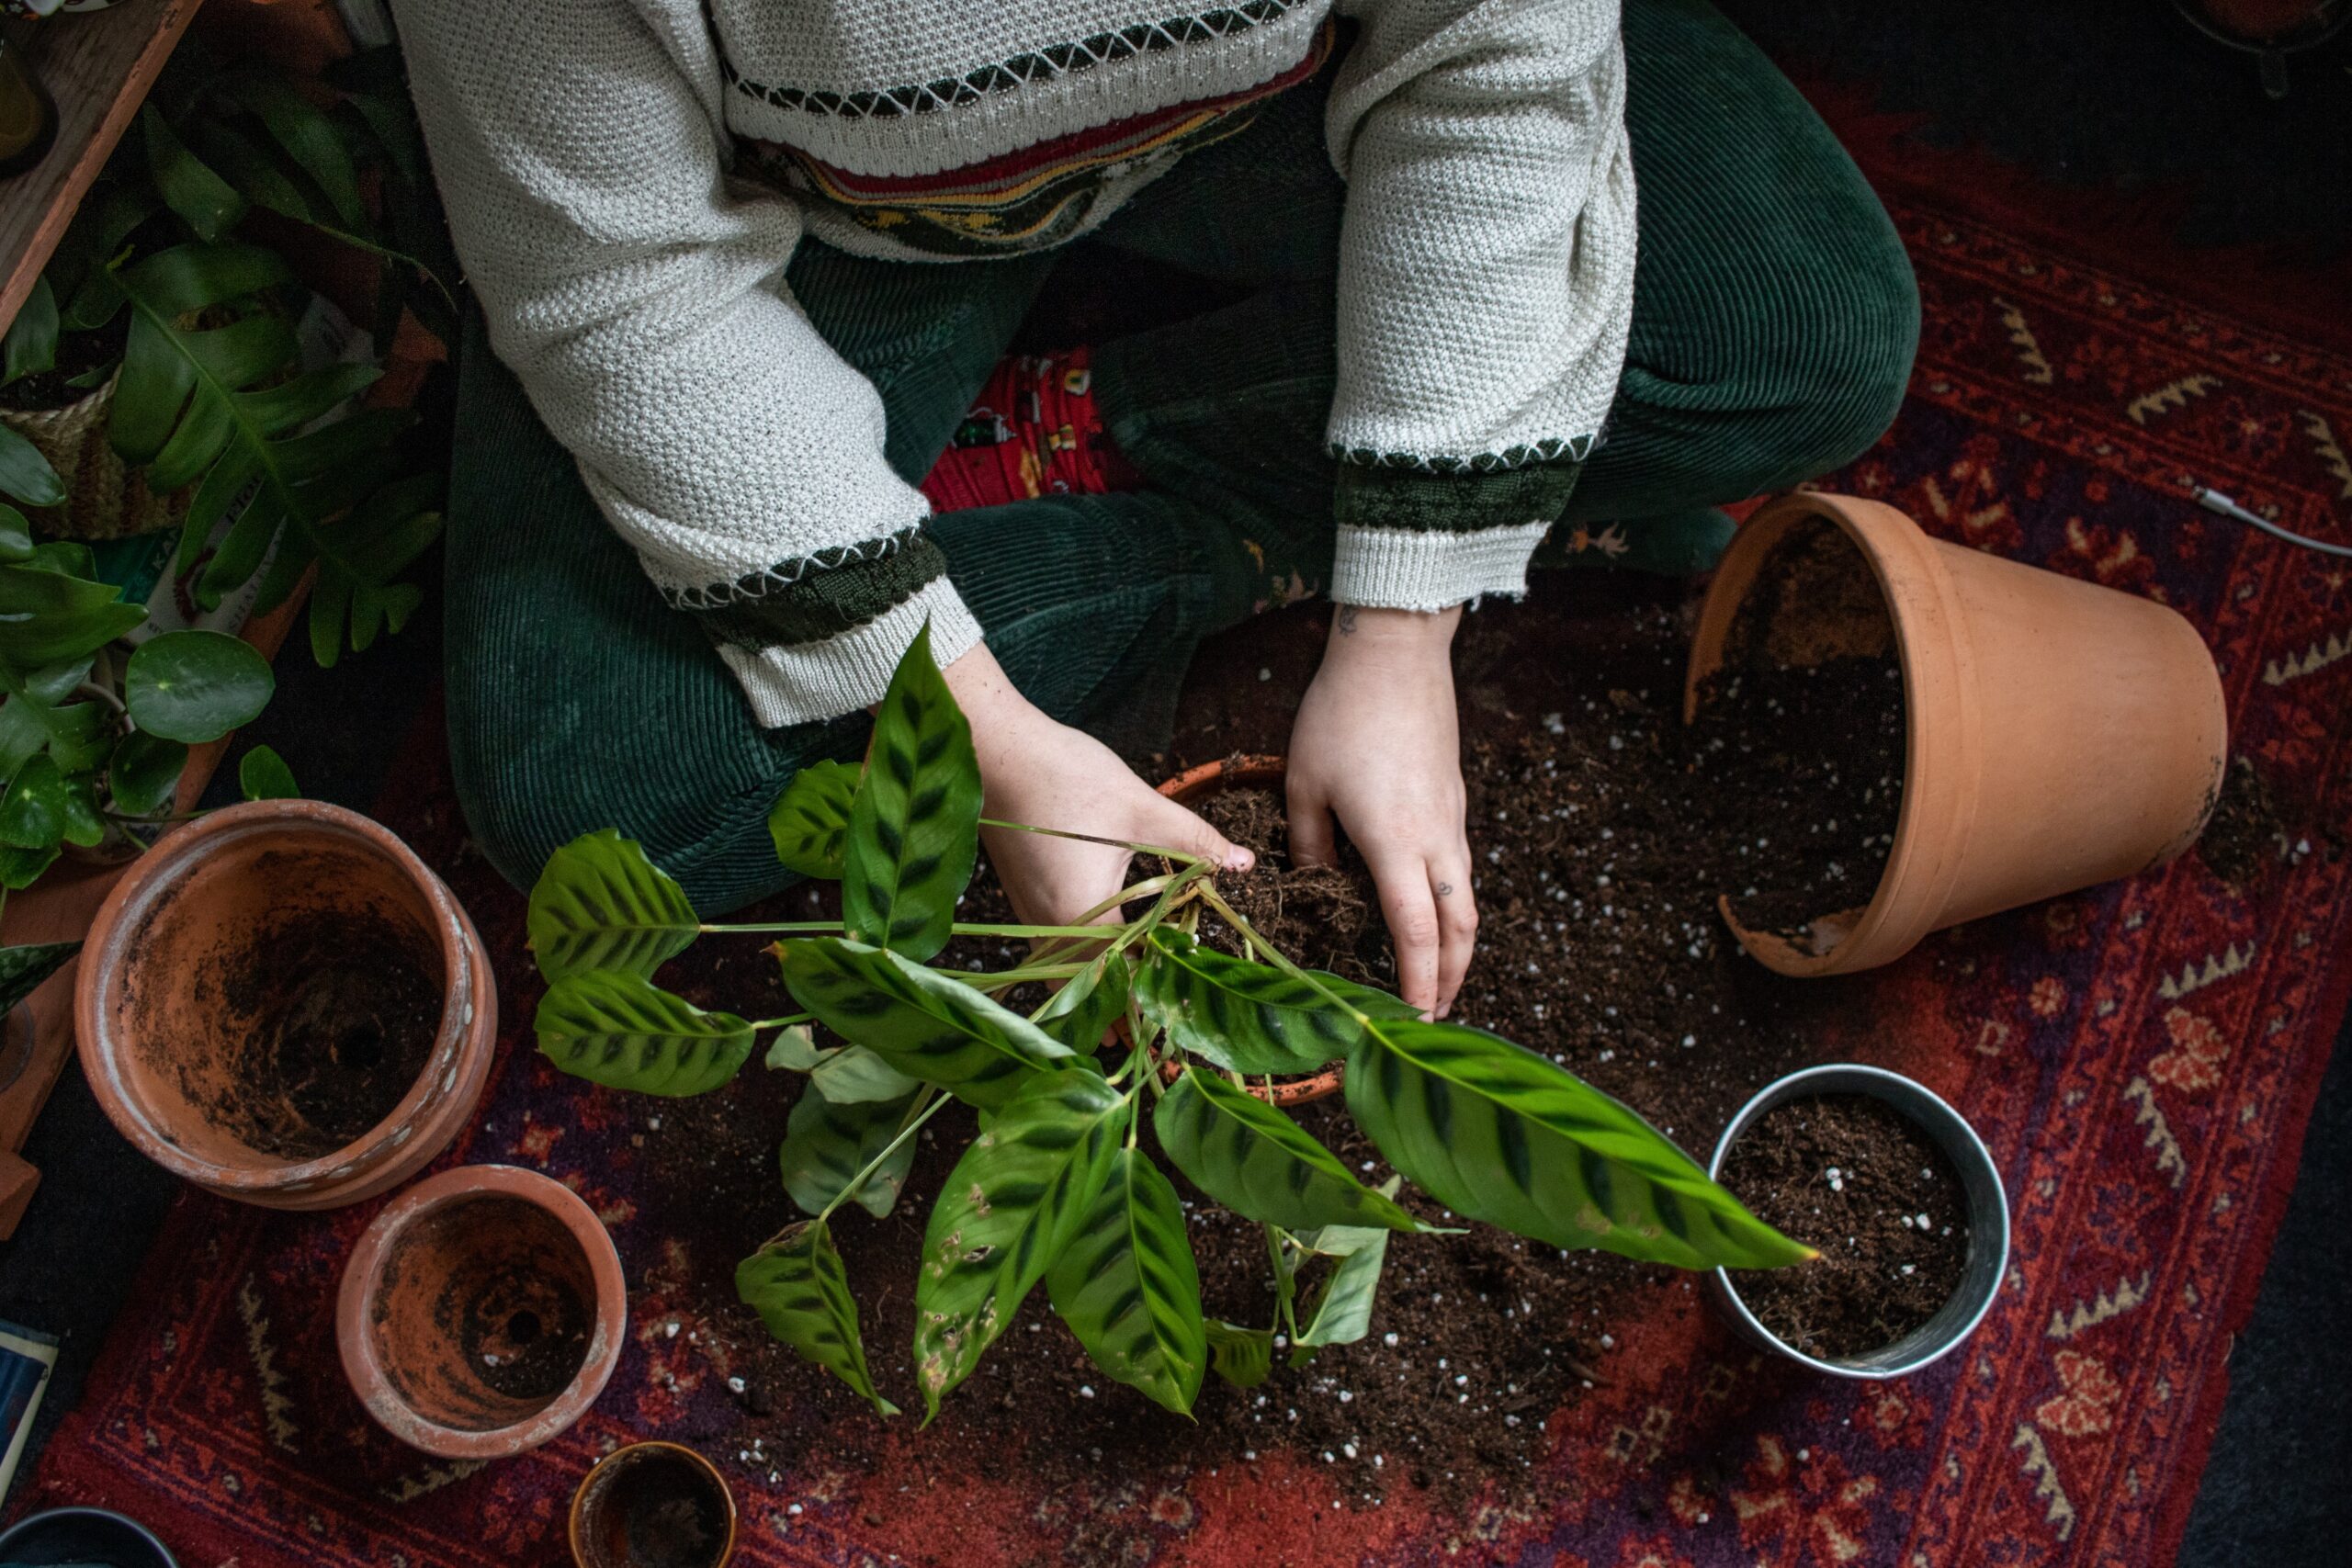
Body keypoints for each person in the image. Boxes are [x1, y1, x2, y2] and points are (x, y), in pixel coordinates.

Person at [393, 0, 1917, 1019]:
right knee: (593, 791)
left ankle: (1082, 443)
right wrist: (984, 737)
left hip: (1267, 114)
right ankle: (1206, 489)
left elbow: (1494, 56)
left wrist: (1402, 629)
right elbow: (616, 282)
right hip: (816, 211)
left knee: (1801, 337)